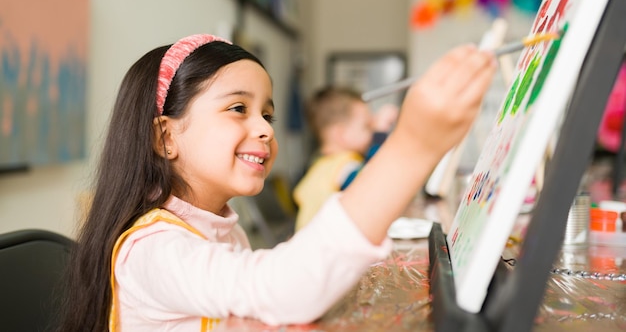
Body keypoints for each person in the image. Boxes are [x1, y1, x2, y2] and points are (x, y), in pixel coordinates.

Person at [56, 34, 496, 331]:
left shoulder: (221, 226)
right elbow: (283, 288)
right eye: (237, 109)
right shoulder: (152, 250)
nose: (265, 130)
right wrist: (412, 146)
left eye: (267, 115)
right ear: (165, 136)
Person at [293, 86, 398, 231]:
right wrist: (380, 133)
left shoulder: (320, 164)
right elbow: (370, 183)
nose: (371, 131)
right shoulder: (342, 166)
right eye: (367, 126)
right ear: (340, 134)